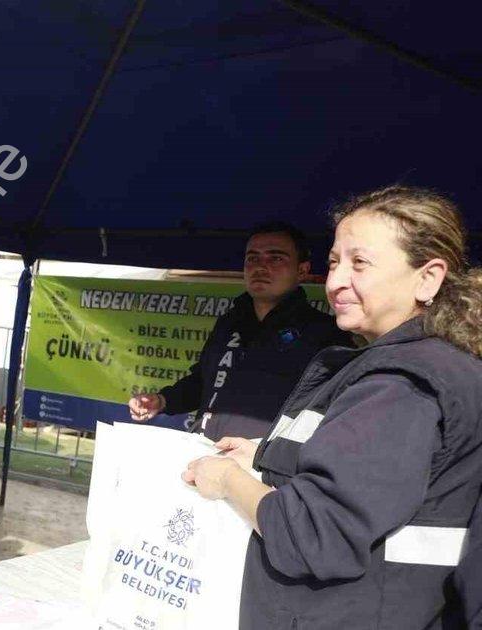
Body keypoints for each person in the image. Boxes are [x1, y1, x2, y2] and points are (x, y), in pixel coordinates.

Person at [184, 186, 482, 629]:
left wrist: (226, 480)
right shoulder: (413, 365)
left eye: (359, 263)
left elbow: (312, 533)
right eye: (334, 262)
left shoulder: (403, 383)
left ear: (428, 278)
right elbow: (366, 478)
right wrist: (267, 456)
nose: (337, 280)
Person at [128, 221, 350, 439]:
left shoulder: (325, 334)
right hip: (204, 455)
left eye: (276, 258)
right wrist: (163, 400)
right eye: (252, 258)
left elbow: (333, 415)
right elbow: (203, 382)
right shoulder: (229, 322)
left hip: (261, 470)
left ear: (302, 270)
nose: (261, 267)